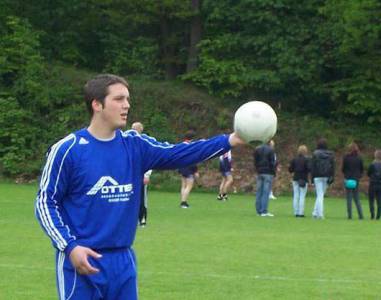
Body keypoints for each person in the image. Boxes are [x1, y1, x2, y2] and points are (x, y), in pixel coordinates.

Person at [34, 74, 244, 300]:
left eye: (128, 99)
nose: (127, 105)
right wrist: (69, 246)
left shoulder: (135, 145)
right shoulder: (68, 150)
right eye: (119, 99)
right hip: (82, 260)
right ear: (97, 104)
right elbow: (45, 202)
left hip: (123, 261)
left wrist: (228, 141)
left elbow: (179, 153)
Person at [131, 122, 150, 226]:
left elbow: (149, 160)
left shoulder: (145, 141)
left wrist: (146, 175)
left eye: (137, 128)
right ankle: (132, 219)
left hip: (141, 175)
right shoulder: (128, 140)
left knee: (142, 198)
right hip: (130, 176)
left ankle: (142, 219)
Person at [311, 138, 335, 219]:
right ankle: (317, 213)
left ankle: (318, 213)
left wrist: (312, 179)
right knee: (321, 195)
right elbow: (333, 166)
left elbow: (313, 167)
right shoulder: (330, 154)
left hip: (317, 176)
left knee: (319, 195)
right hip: (326, 175)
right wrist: (332, 176)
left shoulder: (315, 154)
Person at [254, 140, 277, 217]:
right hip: (268, 172)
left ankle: (258, 210)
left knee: (259, 192)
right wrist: (274, 172)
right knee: (265, 192)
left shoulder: (257, 149)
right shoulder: (271, 150)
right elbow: (272, 162)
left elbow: (255, 161)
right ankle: (264, 211)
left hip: (259, 172)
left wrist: (257, 169)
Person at [342, 142, 364, 219]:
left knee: (349, 198)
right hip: (356, 179)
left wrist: (345, 175)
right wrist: (359, 176)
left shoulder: (346, 157)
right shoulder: (359, 158)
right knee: (357, 198)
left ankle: (350, 215)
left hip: (348, 179)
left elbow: (343, 168)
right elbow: (361, 169)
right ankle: (361, 215)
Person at [288, 145, 312, 217]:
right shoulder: (307, 159)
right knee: (302, 196)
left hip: (295, 178)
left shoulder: (294, 159)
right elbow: (309, 169)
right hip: (303, 179)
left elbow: (290, 170)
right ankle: (301, 212)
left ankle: (295, 212)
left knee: (296, 195)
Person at [178, 130, 199, 208]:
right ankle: (183, 202)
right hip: (189, 168)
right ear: (192, 138)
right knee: (189, 186)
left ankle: (182, 201)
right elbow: (193, 159)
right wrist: (195, 170)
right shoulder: (191, 146)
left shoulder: (181, 145)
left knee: (183, 185)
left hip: (181, 167)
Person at [367, 149, 381, 220]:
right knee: (379, 200)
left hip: (372, 183)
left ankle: (372, 215)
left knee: (371, 200)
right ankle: (378, 216)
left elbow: (368, 173)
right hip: (380, 183)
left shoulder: (372, 164)